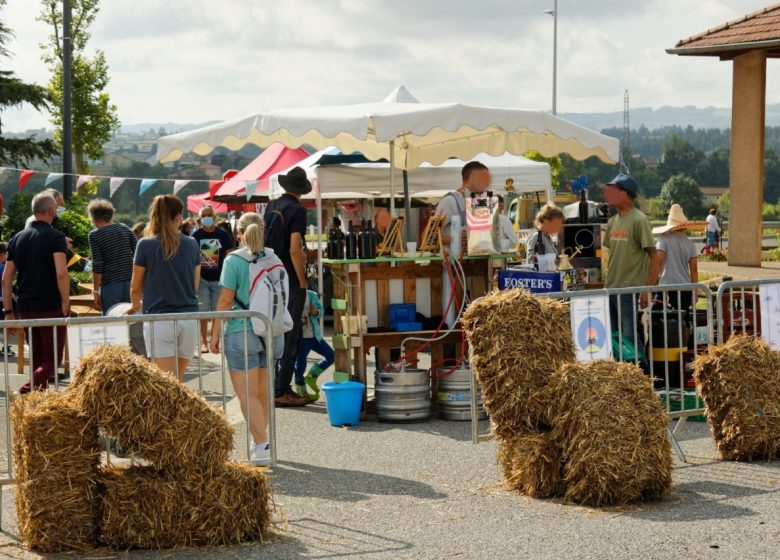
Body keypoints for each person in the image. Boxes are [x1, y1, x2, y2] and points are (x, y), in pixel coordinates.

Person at [209, 212, 284, 465]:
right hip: (268, 330)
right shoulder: (273, 257)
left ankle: (261, 445)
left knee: (247, 395)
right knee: (262, 393)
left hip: (240, 331)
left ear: (238, 233)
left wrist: (214, 333)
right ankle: (262, 442)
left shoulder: (234, 260)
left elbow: (226, 300)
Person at [2, 192, 69, 393]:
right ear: (50, 211)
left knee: (39, 358)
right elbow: (61, 273)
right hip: (50, 304)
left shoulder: (16, 238)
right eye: (56, 211)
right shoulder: (56, 237)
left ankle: (38, 403)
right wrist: (65, 300)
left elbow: (6, 279)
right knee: (52, 359)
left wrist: (8, 311)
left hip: (26, 306)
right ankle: (26, 389)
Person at [129, 195, 200, 381]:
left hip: (159, 318)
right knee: (178, 380)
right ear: (178, 217)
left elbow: (135, 287)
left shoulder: (144, 244)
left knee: (167, 382)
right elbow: (195, 285)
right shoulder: (192, 244)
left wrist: (135, 305)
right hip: (189, 317)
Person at [264, 166, 312, 407]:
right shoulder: (297, 210)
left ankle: (270, 385)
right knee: (291, 335)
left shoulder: (272, 206)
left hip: (269, 276)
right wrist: (302, 280)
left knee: (272, 333)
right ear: (301, 190)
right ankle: (281, 389)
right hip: (289, 278)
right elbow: (294, 249)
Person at [602, 174, 657, 363]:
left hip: (628, 288)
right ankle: (629, 379)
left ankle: (643, 378)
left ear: (624, 194)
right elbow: (611, 255)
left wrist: (646, 289)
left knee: (629, 336)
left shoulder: (639, 220)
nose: (607, 194)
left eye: (613, 191)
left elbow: (654, 257)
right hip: (611, 288)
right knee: (617, 337)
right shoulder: (612, 221)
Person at [191, 205, 234, 352]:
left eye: (210, 214)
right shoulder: (195, 236)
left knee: (218, 310)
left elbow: (230, 254)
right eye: (204, 215)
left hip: (219, 278)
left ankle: (216, 340)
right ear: (200, 218)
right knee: (202, 311)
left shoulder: (222, 235)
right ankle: (203, 341)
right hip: (201, 278)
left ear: (214, 217)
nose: (207, 217)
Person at [87, 199, 137, 314]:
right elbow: (137, 253)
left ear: (93, 217)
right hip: (131, 283)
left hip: (110, 285)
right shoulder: (124, 228)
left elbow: (98, 264)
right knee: (134, 321)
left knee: (113, 321)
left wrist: (95, 291)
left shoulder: (94, 235)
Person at [649, 204, 698, 311]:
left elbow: (659, 260)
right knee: (682, 320)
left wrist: (652, 282)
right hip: (685, 287)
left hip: (667, 286)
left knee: (658, 318)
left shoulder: (663, 240)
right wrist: (695, 291)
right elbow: (694, 270)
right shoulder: (690, 244)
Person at [435, 161, 492, 250]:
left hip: (477, 260)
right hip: (454, 261)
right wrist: (456, 238)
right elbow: (429, 237)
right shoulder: (450, 201)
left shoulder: (478, 203)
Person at [294, 289, 334, 402]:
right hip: (301, 337)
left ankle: (311, 375)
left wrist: (316, 311)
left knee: (331, 356)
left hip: (315, 336)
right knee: (300, 364)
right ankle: (300, 390)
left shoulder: (311, 295)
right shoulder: (292, 293)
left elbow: (321, 311)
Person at [0, 242, 14, 357]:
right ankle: (5, 347)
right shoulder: (3, 268)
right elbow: (7, 283)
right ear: (2, 254)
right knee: (6, 325)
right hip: (2, 301)